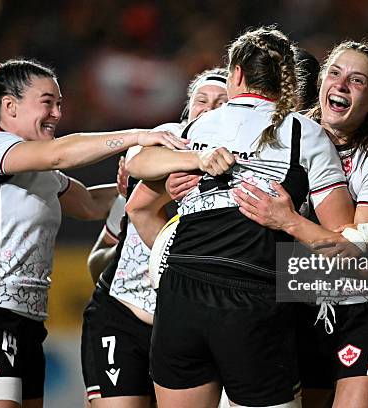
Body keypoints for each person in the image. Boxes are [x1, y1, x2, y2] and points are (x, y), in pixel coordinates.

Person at [0, 58, 187, 408]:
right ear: (9, 106)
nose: (56, 113)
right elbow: (60, 154)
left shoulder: (39, 170)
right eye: (47, 102)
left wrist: (155, 178)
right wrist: (138, 137)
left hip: (25, 328)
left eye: (59, 104)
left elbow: (90, 205)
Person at [126, 27, 354, 408]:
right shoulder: (304, 133)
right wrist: (288, 221)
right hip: (251, 296)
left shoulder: (201, 125)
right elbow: (346, 244)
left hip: (180, 293)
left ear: (235, 74)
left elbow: (139, 165)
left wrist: (194, 159)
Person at [232, 41, 368, 408]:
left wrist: (290, 221)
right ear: (321, 82)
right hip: (301, 305)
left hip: (365, 308)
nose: (341, 85)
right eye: (335, 73)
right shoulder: (291, 133)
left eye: (357, 80)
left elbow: (364, 255)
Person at [81, 68, 228, 408]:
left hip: (189, 326)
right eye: (200, 101)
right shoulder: (169, 137)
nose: (208, 109)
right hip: (123, 315)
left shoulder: (238, 165)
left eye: (222, 103)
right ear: (187, 109)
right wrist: (184, 171)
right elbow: (136, 162)